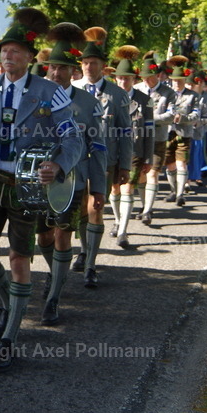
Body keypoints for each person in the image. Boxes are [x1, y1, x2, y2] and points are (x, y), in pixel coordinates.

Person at [0, 8, 82, 371]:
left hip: (27, 187)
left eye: (15, 51)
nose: (7, 56)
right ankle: (9, 304)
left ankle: (9, 338)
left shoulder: (52, 93)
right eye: (4, 50)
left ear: (31, 57)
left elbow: (73, 138)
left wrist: (58, 165)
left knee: (19, 258)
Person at [37, 23, 105, 323]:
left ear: (73, 71)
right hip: (38, 179)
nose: (56, 73)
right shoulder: (34, 96)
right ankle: (55, 273)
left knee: (63, 235)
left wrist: (99, 187)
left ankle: (54, 296)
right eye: (52, 67)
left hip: (73, 179)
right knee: (43, 237)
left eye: (62, 68)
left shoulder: (88, 103)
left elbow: (98, 148)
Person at [70, 27, 132, 286]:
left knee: (96, 207)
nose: (88, 67)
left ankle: (91, 266)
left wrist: (125, 165)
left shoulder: (117, 94)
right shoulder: (72, 90)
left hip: (105, 160)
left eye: (93, 62)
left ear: (103, 66)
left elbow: (126, 132)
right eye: (85, 62)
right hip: (76, 161)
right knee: (80, 209)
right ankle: (84, 251)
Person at [109, 47, 153, 249]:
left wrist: (149, 158)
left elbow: (150, 131)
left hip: (135, 151)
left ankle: (123, 232)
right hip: (112, 150)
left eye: (127, 78)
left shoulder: (144, 100)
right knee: (114, 189)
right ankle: (118, 221)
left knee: (128, 188)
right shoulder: (108, 97)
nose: (123, 82)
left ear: (134, 79)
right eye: (120, 78)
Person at [134, 52, 175, 225]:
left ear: (157, 75)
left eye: (149, 77)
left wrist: (149, 119)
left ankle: (147, 211)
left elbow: (171, 115)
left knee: (153, 173)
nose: (146, 80)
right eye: (143, 77)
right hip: (139, 139)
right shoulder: (136, 89)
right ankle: (145, 205)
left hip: (158, 138)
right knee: (141, 175)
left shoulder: (168, 93)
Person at [158, 56, 200, 207]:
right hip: (167, 133)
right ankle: (173, 191)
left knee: (181, 163)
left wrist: (183, 118)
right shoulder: (165, 94)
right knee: (169, 164)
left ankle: (180, 194)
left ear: (184, 79)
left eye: (179, 80)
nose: (176, 83)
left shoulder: (193, 96)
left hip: (184, 134)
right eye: (174, 80)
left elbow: (196, 115)